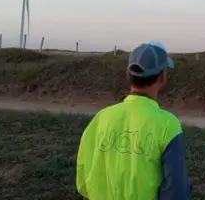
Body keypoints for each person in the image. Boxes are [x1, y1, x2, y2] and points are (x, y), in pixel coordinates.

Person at [76, 41, 192, 200]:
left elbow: (83, 184)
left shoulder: (100, 118)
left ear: (128, 75)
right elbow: (176, 194)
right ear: (162, 76)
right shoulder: (168, 125)